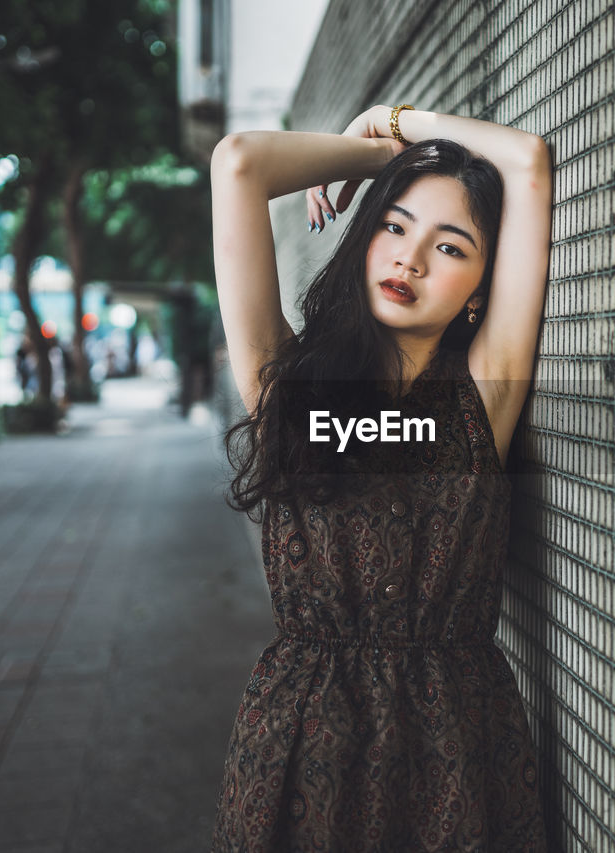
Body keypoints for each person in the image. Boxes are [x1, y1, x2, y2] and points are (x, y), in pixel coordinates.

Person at [209, 103, 553, 851]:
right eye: (393, 227)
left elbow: (528, 162)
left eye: (450, 246)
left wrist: (403, 123)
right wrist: (379, 159)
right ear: (364, 239)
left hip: (458, 752)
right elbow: (239, 163)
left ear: (481, 292)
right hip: (301, 746)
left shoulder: (480, 399)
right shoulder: (287, 389)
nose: (411, 259)